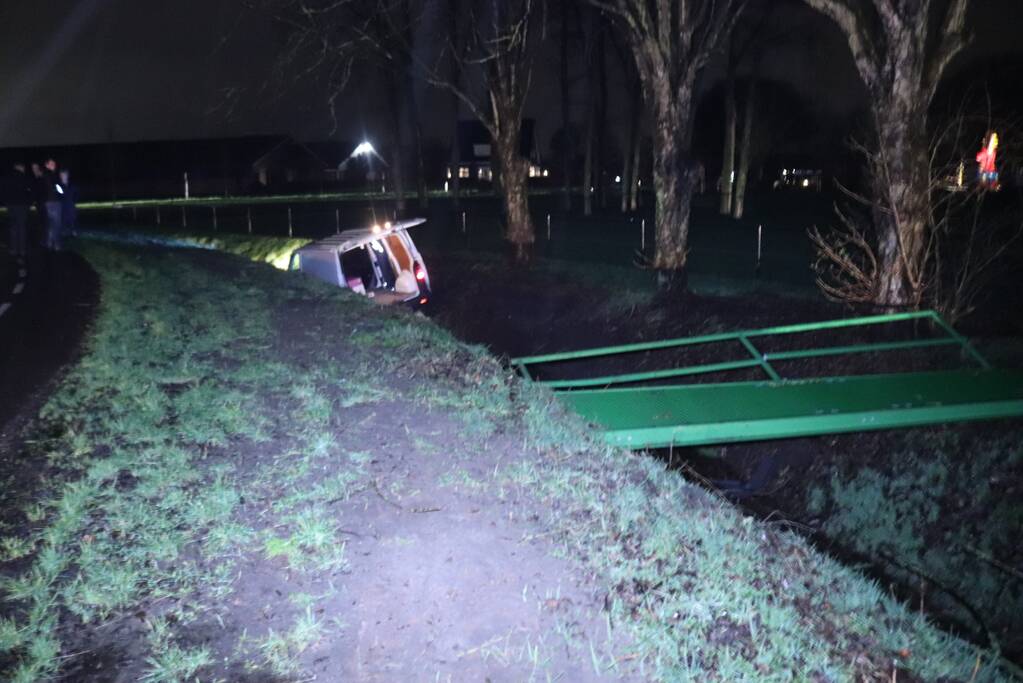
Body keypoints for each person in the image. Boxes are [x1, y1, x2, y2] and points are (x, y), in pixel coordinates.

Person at [1, 163, 32, 258]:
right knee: (22, 228)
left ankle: (14, 249)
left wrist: (6, 202)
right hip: (22, 206)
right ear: (19, 167)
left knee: (13, 228)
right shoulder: (24, 178)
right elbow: (29, 192)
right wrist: (29, 203)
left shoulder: (8, 178)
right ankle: (22, 250)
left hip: (11, 205)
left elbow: (3, 190)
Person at [41, 159, 63, 251]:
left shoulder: (47, 174)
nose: (54, 165)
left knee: (51, 224)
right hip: (53, 202)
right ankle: (56, 244)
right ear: (47, 165)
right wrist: (59, 190)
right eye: (51, 163)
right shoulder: (50, 175)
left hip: (50, 201)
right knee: (56, 224)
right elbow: (55, 187)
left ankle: (50, 243)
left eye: (54, 163)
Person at [58, 169, 78, 237]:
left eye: (65, 175)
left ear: (67, 175)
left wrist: (74, 201)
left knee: (72, 217)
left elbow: (76, 193)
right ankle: (63, 231)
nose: (64, 176)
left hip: (71, 203)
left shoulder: (71, 184)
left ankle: (73, 230)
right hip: (63, 204)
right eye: (62, 175)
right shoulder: (59, 185)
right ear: (60, 176)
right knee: (63, 218)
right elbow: (59, 195)